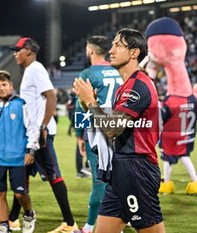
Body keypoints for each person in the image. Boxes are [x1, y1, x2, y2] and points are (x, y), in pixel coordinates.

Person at [74, 29, 165, 233]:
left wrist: (90, 100)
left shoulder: (137, 86)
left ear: (134, 52)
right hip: (121, 166)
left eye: (118, 45)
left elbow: (113, 129)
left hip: (137, 169)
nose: (111, 50)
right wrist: (89, 104)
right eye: (113, 44)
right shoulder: (125, 86)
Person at [11, 37, 78, 232]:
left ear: (29, 51)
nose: (15, 53)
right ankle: (14, 218)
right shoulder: (29, 70)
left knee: (53, 175)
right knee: (23, 172)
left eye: (18, 50)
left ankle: (70, 223)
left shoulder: (36, 68)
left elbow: (51, 96)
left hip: (41, 134)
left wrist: (43, 126)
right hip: (32, 133)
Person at [144, 17, 197, 195]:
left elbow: (158, 115)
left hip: (171, 136)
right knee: (184, 158)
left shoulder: (172, 102)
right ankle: (196, 182)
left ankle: (167, 184)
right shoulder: (192, 98)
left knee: (166, 159)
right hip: (187, 135)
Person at [74, 35, 122, 233]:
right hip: (120, 128)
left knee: (100, 181)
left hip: (97, 131)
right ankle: (118, 225)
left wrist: (79, 135)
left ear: (91, 50)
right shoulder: (120, 71)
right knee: (118, 179)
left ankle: (90, 227)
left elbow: (82, 106)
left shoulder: (88, 73)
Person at [0, 70, 38, 233]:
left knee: (20, 194)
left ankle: (29, 214)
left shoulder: (21, 103)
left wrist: (30, 151)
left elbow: (31, 129)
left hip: (18, 157)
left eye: (4, 85)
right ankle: (5, 226)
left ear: (11, 86)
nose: (1, 88)